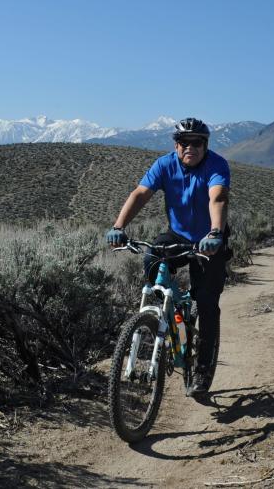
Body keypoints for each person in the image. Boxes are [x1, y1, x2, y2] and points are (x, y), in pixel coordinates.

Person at [106, 117, 231, 396]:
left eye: (197, 143)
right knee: (152, 257)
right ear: (176, 145)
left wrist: (214, 233)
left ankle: (202, 368)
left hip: (209, 238)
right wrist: (118, 227)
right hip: (177, 235)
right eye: (184, 143)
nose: (191, 148)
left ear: (205, 145)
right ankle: (167, 312)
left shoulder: (216, 165)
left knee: (207, 304)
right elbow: (140, 194)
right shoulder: (164, 165)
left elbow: (218, 197)